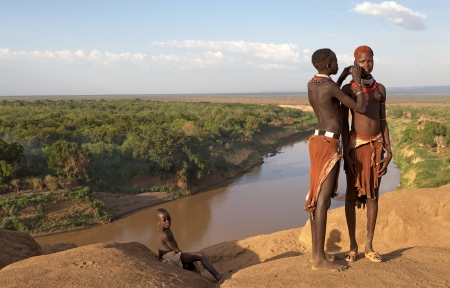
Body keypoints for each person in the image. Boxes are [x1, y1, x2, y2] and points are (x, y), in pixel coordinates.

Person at [305, 48, 366, 272]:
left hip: (317, 140)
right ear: (329, 65)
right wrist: (357, 82)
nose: (338, 64)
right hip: (328, 143)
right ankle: (318, 260)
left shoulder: (313, 84)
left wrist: (341, 78)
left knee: (318, 195)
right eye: (336, 62)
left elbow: (330, 94)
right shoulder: (329, 86)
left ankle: (317, 254)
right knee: (323, 200)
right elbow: (360, 106)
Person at [340, 45, 392, 263]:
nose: (367, 64)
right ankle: (353, 246)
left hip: (376, 147)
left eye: (369, 61)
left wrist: (388, 151)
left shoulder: (380, 89)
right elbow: (344, 123)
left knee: (373, 196)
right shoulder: (348, 89)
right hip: (357, 146)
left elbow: (383, 121)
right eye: (362, 62)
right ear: (355, 63)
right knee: (352, 196)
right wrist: (347, 154)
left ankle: (369, 246)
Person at [155, 208, 228, 282]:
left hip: (173, 255)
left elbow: (160, 247)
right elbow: (176, 249)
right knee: (201, 255)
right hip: (172, 258)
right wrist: (189, 261)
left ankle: (207, 281)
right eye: (164, 220)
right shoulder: (164, 235)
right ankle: (218, 276)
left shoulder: (166, 230)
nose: (168, 221)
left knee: (193, 266)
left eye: (169, 218)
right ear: (158, 222)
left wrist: (159, 257)